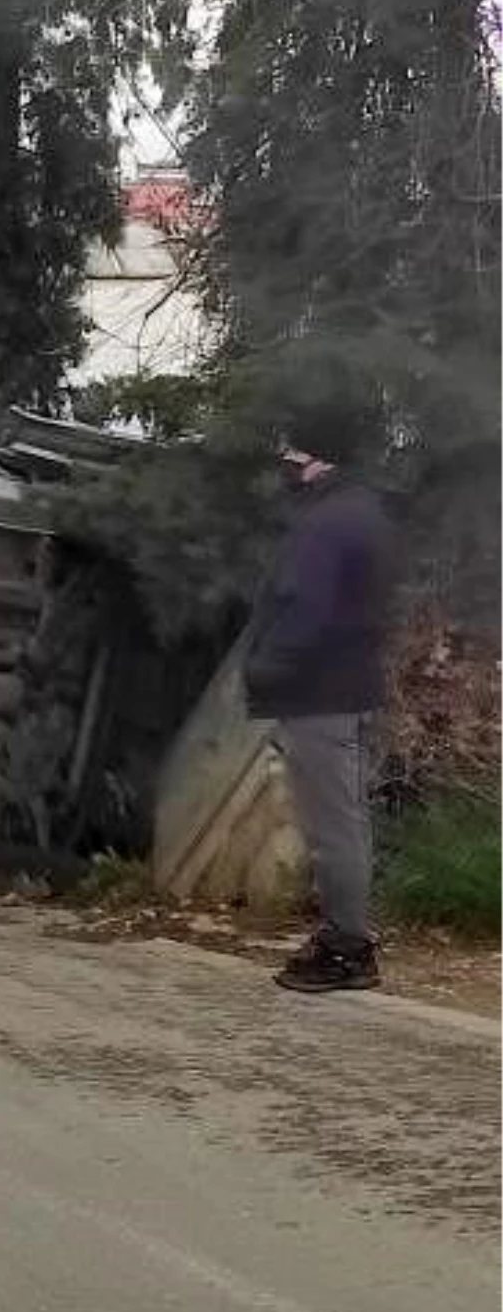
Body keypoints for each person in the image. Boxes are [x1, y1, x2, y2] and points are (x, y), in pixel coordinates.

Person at [244, 407, 397, 994]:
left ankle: (346, 949)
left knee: (334, 827)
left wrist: (265, 667)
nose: (286, 465)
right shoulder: (366, 513)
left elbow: (306, 609)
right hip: (345, 688)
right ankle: (345, 940)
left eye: (294, 456)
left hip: (319, 695)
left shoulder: (329, 522)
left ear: (320, 460)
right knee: (345, 822)